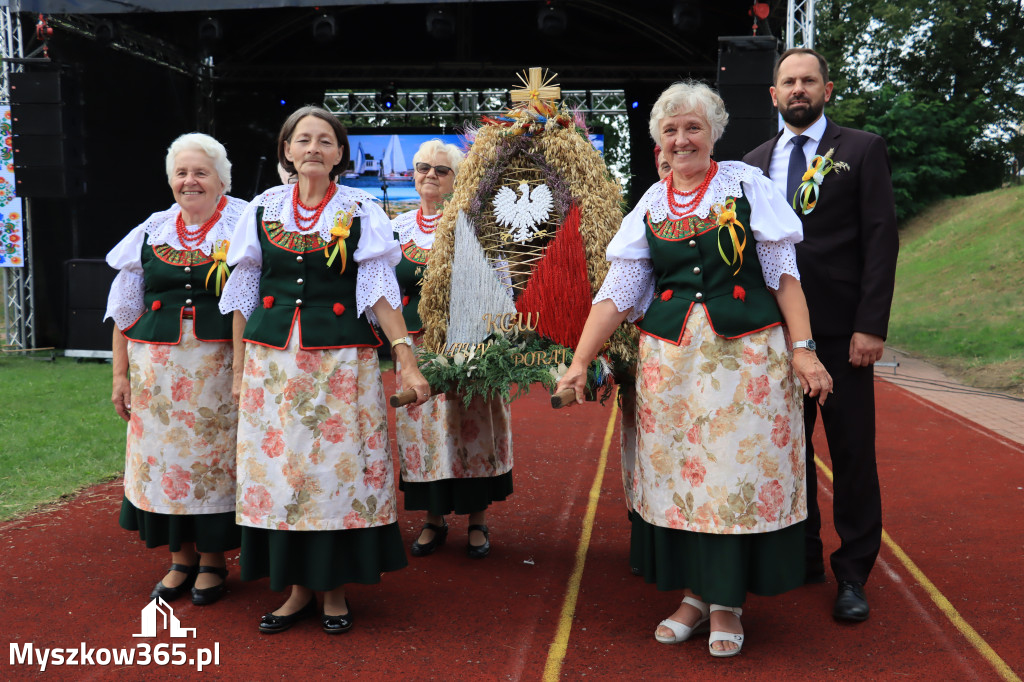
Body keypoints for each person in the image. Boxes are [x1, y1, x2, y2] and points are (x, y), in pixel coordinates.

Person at [555, 81, 832, 657]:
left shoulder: (747, 186)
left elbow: (783, 275)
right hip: (671, 366)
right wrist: (580, 362)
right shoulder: (650, 206)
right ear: (659, 139)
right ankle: (695, 596)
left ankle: (728, 603)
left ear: (713, 134)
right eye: (671, 129)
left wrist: (803, 349)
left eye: (693, 128)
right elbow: (617, 292)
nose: (682, 139)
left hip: (748, 361)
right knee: (682, 478)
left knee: (733, 477)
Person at [219, 106, 429, 635]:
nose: (313, 147)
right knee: (282, 472)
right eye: (303, 139)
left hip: (339, 362)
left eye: (325, 140)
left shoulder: (362, 209)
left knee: (335, 469)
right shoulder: (261, 209)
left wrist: (405, 359)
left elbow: (381, 292)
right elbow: (244, 292)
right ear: (286, 150)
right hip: (272, 366)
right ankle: (295, 591)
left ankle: (333, 590)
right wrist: (241, 365)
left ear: (340, 155)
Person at [743, 47, 898, 622]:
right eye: (789, 82)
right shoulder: (753, 162)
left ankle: (853, 572)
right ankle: (802, 553)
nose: (799, 89)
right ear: (774, 95)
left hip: (842, 335)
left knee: (853, 454)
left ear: (827, 90)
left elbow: (882, 240)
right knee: (789, 453)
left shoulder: (862, 149)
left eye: (809, 80)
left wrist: (870, 325)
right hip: (773, 336)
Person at [106, 132, 245, 606]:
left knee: (214, 464)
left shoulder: (246, 222)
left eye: (200, 172)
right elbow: (124, 310)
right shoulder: (152, 229)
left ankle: (212, 560)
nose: (191, 181)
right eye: (182, 173)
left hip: (222, 371)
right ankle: (180, 558)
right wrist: (119, 376)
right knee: (165, 463)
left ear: (222, 180)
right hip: (158, 377)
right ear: (171, 181)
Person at [391, 139, 513, 559]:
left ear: (457, 180)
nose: (430, 175)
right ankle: (432, 519)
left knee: (470, 432)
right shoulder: (397, 229)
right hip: (416, 350)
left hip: (469, 345)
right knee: (422, 435)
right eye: (423, 167)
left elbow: (501, 286)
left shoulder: (475, 224)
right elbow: (383, 292)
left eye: (441, 170)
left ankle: (477, 520)